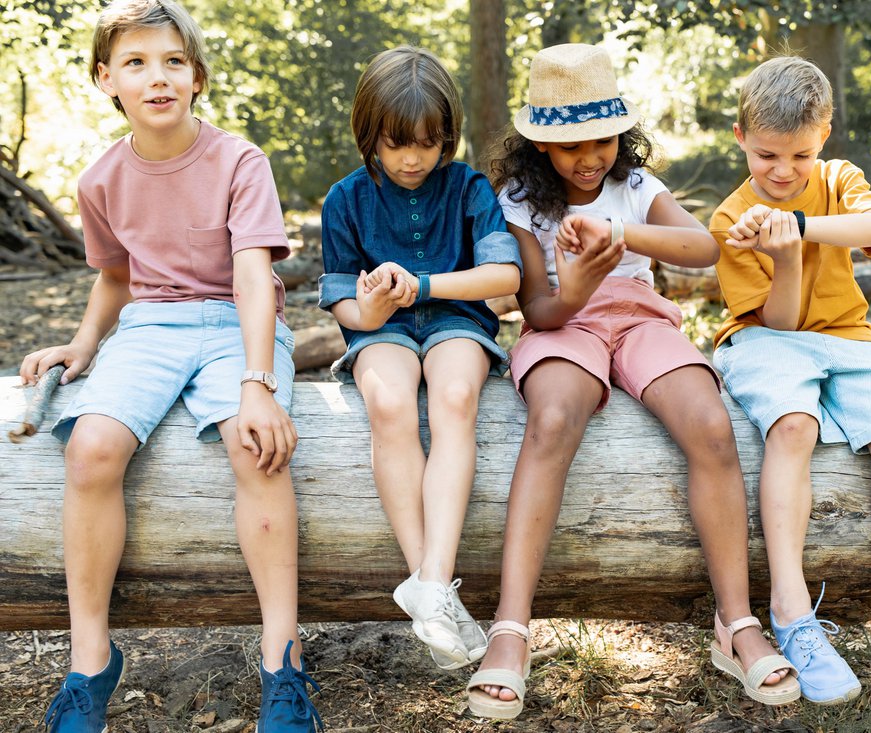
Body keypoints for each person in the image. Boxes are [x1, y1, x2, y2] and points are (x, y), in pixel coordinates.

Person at [465, 43, 800, 720]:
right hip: (565, 326)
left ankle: (735, 623)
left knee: (710, 424)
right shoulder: (519, 202)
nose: (589, 157)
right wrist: (579, 280)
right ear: (538, 148)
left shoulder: (638, 189)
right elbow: (538, 309)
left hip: (642, 318)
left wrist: (623, 232)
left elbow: (705, 248)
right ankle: (510, 627)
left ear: (622, 134)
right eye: (570, 146)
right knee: (553, 418)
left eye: (603, 140)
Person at [19, 1, 322, 731]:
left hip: (235, 321)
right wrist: (84, 343)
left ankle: (284, 663)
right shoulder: (99, 179)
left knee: (258, 448)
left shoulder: (239, 161)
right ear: (105, 79)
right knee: (90, 447)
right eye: (135, 63)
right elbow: (119, 278)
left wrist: (259, 384)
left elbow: (253, 278)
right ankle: (89, 662)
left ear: (197, 78)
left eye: (172, 62)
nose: (156, 78)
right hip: (150, 325)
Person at [709, 56, 871, 723]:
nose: (782, 170)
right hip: (764, 339)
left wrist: (797, 227)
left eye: (799, 153)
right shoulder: (731, 216)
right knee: (793, 427)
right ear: (740, 136)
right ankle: (793, 611)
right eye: (767, 153)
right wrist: (783, 257)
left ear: (823, 135)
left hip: (850, 336)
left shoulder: (836, 179)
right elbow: (779, 321)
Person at [318, 46, 522, 672]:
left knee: (457, 396)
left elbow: (502, 274)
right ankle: (428, 585)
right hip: (384, 332)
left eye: (429, 144)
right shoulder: (344, 200)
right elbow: (344, 307)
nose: (413, 159)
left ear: (448, 137)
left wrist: (427, 284)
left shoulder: (469, 188)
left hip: (458, 319)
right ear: (368, 134)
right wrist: (374, 309)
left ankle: (433, 579)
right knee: (388, 402)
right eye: (396, 143)